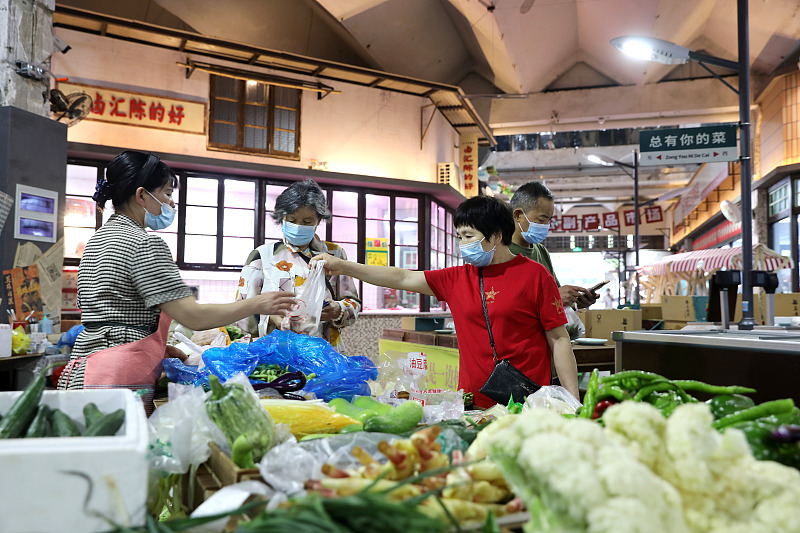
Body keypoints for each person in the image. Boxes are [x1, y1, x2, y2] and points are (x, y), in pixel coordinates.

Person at [58, 151, 297, 394]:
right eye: (167, 194)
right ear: (142, 195)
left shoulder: (98, 239)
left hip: (86, 366)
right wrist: (257, 304)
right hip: (118, 376)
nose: (172, 204)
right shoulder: (144, 243)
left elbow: (116, 312)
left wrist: (156, 347)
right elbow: (193, 317)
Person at [313, 196, 578, 407]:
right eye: (459, 237)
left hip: (529, 399)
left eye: (469, 236)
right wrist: (343, 266)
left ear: (496, 236)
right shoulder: (456, 278)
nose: (462, 245)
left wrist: (572, 400)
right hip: (474, 401)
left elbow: (559, 338)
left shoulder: (535, 275)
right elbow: (401, 277)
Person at [236, 179, 360, 347]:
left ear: (318, 221)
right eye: (292, 220)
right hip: (276, 351)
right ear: (282, 218)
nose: (298, 226)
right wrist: (271, 316)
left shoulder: (334, 254)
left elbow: (353, 303)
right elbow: (242, 310)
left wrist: (338, 309)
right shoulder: (263, 256)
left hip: (324, 351)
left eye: (307, 222)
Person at [509, 182, 599, 308]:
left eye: (549, 220)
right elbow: (504, 304)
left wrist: (575, 302)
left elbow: (554, 298)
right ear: (518, 215)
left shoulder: (541, 251)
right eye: (541, 219)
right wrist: (553, 298)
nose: (546, 225)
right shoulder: (500, 252)